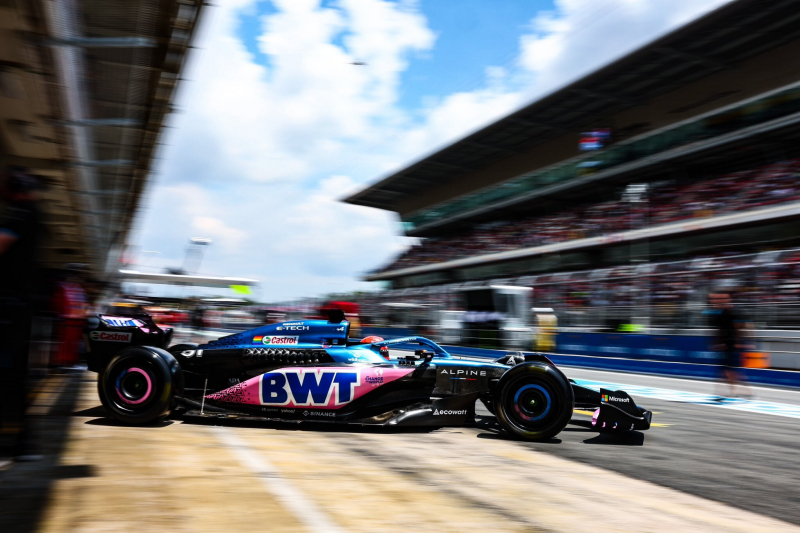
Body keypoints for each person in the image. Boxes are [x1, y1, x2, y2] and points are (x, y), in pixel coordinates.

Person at [0, 167, 46, 460]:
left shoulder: (21, 214)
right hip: (21, 309)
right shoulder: (36, 215)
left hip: (9, 310)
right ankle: (22, 443)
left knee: (9, 376)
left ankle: (19, 443)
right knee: (15, 377)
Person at [707, 293, 750, 401]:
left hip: (730, 344)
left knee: (728, 370)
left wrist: (737, 342)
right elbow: (720, 330)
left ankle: (741, 392)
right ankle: (738, 392)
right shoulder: (721, 312)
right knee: (727, 370)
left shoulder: (732, 312)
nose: (714, 302)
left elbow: (740, 327)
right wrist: (717, 342)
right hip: (726, 345)